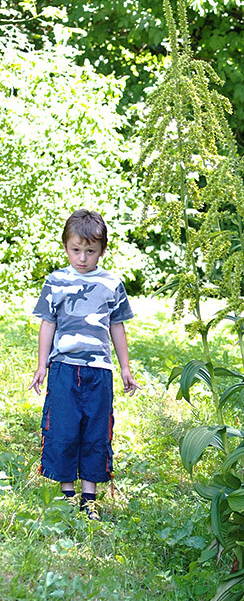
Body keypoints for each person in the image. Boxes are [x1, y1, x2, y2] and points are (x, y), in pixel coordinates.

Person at [29, 209, 139, 520]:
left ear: (102, 250)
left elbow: (117, 327)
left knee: (95, 432)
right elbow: (47, 324)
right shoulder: (56, 281)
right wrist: (41, 365)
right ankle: (66, 494)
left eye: (90, 251)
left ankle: (89, 497)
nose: (82, 258)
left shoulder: (111, 284)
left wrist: (125, 368)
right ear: (66, 247)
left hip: (99, 372)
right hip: (64, 367)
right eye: (76, 250)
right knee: (63, 429)